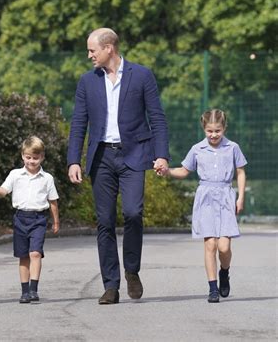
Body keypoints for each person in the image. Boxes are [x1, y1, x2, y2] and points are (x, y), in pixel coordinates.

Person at [67, 28, 170, 304]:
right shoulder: (87, 81)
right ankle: (110, 285)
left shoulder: (142, 75)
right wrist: (74, 159)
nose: (89, 55)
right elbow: (79, 122)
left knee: (134, 213)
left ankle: (132, 270)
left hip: (134, 154)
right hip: (101, 157)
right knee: (105, 221)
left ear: (108, 48)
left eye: (92, 50)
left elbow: (157, 118)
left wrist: (161, 155)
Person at [158, 109, 247, 303]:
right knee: (211, 245)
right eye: (209, 131)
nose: (213, 135)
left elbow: (240, 171)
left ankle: (225, 272)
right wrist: (167, 171)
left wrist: (240, 198)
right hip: (205, 197)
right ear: (204, 129)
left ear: (224, 128)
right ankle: (213, 288)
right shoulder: (197, 149)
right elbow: (184, 170)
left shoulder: (233, 147)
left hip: (225, 196)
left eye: (217, 130)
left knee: (224, 247)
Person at [0, 136, 60, 303]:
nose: (32, 161)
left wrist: (56, 222)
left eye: (36, 158)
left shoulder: (47, 178)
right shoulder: (15, 175)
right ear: (22, 156)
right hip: (20, 218)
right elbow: (3, 192)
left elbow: (53, 201)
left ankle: (34, 289)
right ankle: (25, 291)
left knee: (35, 253)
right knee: (23, 256)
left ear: (42, 157)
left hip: (38, 219)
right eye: (28, 157)